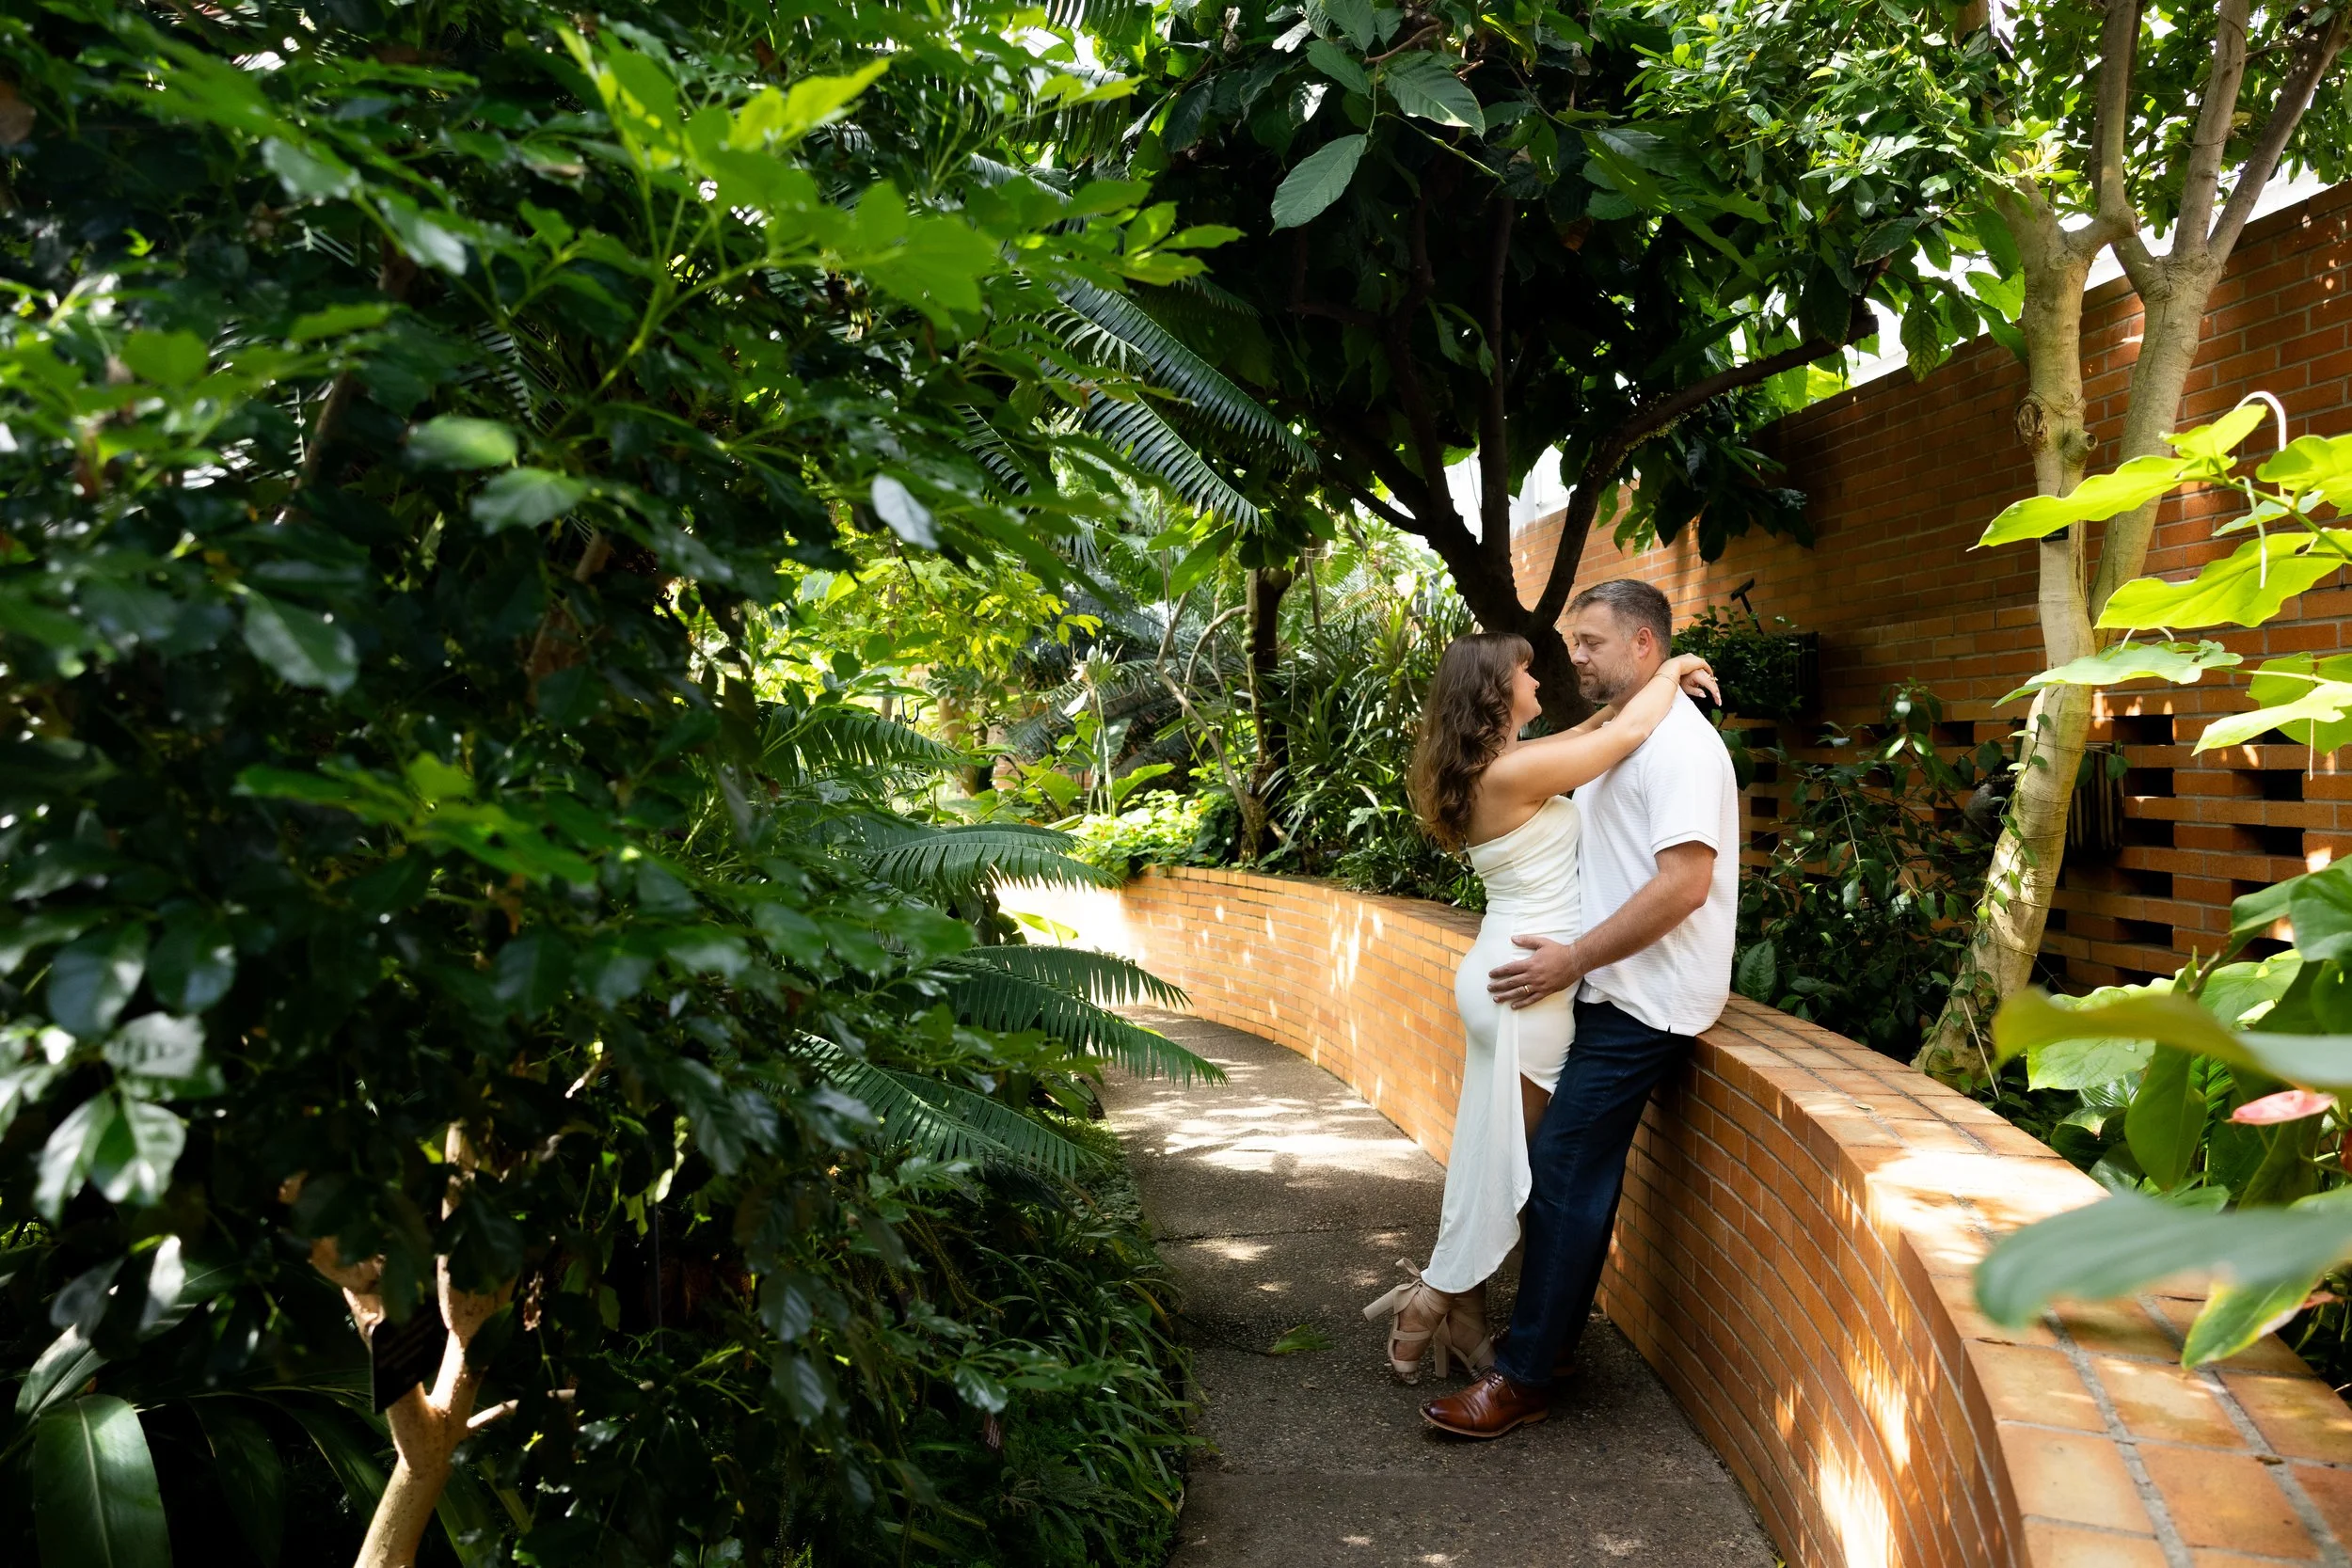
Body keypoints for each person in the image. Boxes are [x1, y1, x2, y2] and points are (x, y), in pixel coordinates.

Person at [1417, 578, 1740, 1439]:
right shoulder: (1618, 735)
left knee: (1559, 1170)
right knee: (1541, 1167)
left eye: (1590, 641)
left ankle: (1521, 1374)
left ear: (1642, 644)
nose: (1573, 657)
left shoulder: (1679, 747)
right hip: (1591, 981)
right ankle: (1528, 1338)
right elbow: (1601, 735)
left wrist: (1574, 957)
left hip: (1647, 995)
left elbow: (1685, 885)